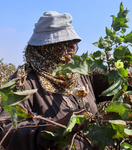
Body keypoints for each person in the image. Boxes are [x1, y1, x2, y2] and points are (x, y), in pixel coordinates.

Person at [0, 10, 109, 150]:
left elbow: (112, 79)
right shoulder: (24, 81)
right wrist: (53, 126)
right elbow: (6, 129)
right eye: (64, 40)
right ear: (46, 47)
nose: (72, 44)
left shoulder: (81, 70)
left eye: (73, 40)